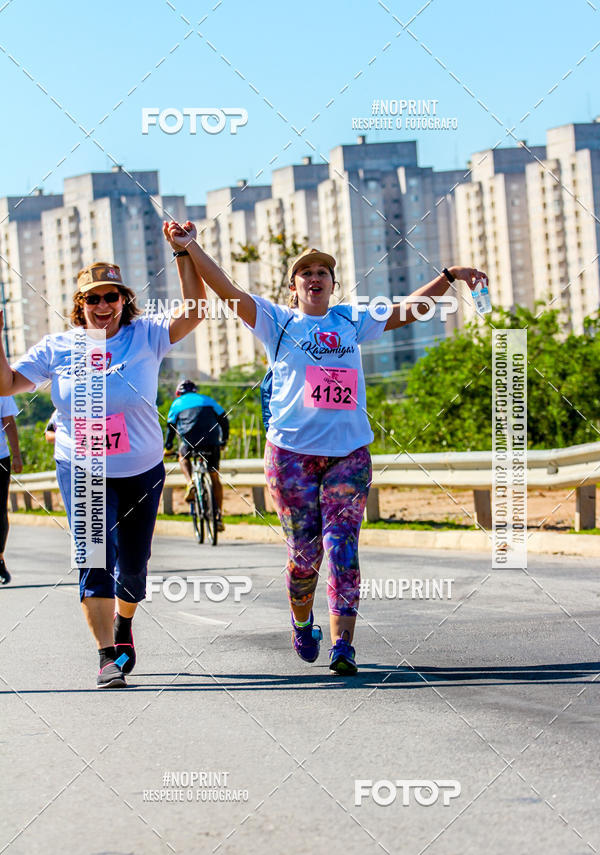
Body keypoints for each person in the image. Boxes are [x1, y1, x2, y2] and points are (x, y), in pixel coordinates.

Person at [165, 220, 487, 675]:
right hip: (292, 455)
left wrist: (450, 277)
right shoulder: (277, 321)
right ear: (293, 288)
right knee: (304, 554)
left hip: (348, 455)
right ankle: (301, 623)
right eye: (306, 272)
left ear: (333, 285)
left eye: (323, 272)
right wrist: (189, 247)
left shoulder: (351, 320)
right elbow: (226, 289)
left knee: (343, 549)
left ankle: (343, 646)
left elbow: (407, 310)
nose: (315, 277)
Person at [0, 255, 206, 688]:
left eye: (111, 296)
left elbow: (195, 311)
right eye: (92, 298)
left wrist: (185, 254)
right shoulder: (57, 348)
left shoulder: (146, 335)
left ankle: (124, 623)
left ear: (123, 299)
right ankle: (105, 657)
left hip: (142, 468)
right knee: (95, 560)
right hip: (83, 469)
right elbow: (5, 385)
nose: (103, 305)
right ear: (80, 304)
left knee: (134, 567)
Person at [165, 379, 229, 531]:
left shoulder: (177, 403)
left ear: (178, 393)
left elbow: (170, 427)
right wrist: (224, 440)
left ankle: (190, 482)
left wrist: (168, 447)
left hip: (189, 441)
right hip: (212, 440)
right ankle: (218, 517)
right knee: (214, 477)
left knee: (183, 456)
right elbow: (224, 418)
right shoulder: (207, 399)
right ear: (195, 391)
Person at [0, 396, 23, 584]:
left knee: (0, 511)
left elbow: (9, 422)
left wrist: (16, 455)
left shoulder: (2, 388)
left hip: (0, 458)